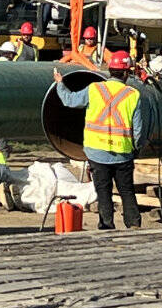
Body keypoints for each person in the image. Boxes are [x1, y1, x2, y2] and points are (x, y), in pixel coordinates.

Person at [51, 51, 144, 230]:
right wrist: (136, 148)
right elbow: (138, 130)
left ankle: (106, 226)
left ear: (110, 70)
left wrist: (60, 84)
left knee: (103, 192)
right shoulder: (133, 95)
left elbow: (70, 101)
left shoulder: (94, 89)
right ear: (126, 73)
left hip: (96, 152)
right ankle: (133, 226)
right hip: (123, 154)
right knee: (126, 191)